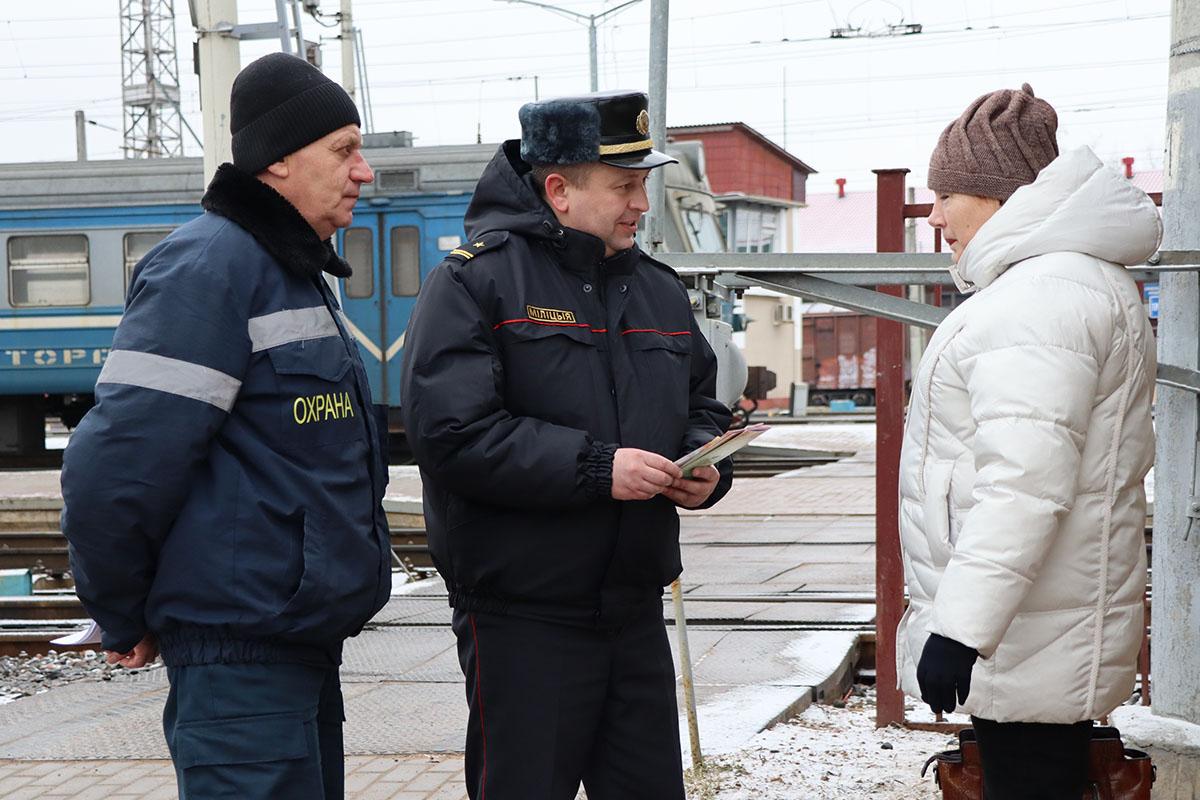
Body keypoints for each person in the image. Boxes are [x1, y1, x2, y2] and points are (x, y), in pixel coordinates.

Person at [60, 52, 391, 800]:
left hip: (294, 643)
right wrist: (121, 611)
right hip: (240, 662)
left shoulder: (289, 268)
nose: (363, 171)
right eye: (343, 150)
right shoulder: (210, 268)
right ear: (277, 161)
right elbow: (115, 466)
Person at [400, 89, 733, 799]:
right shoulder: (473, 284)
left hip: (634, 614)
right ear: (559, 189)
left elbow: (702, 402)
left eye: (642, 184)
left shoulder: (658, 291)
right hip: (525, 622)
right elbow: (454, 436)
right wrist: (596, 468)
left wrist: (706, 465)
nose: (640, 204)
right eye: (623, 186)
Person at [896, 84, 1159, 799]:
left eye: (948, 193)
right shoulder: (1065, 283)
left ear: (998, 193)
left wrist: (959, 631)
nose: (935, 214)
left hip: (1024, 637)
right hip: (1038, 627)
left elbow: (1022, 486)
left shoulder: (1040, 301)